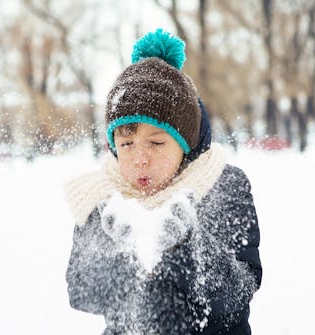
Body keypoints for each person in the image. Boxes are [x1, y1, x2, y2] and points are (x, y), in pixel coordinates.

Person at [64, 28, 262, 335]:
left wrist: (186, 245)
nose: (140, 159)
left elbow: (240, 290)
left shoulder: (223, 186)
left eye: (156, 144)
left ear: (185, 145)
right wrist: (127, 252)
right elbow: (81, 290)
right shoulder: (103, 198)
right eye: (127, 145)